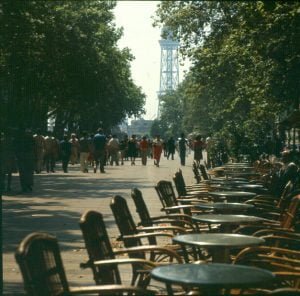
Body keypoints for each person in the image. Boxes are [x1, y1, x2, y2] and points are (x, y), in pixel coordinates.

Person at [15, 128, 35, 193]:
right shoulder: (31, 139)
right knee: (29, 172)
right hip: (29, 156)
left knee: (23, 172)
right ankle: (28, 185)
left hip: (22, 156)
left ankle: (24, 186)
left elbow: (16, 148)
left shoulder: (19, 139)